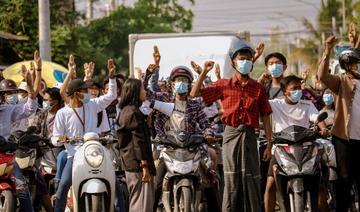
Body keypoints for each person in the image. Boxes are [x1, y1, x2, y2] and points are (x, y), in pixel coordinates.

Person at [190, 40, 273, 212]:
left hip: (250, 136)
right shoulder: (224, 85)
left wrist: (270, 143)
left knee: (251, 177)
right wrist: (204, 72)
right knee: (231, 178)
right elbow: (194, 93)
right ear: (234, 62)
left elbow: (265, 115)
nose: (246, 62)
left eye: (249, 59)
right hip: (230, 135)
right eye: (242, 58)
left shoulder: (258, 88)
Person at [52, 58, 118, 212]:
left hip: (94, 152)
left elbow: (111, 96)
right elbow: (54, 137)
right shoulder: (63, 113)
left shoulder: (92, 105)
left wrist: (112, 77)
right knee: (64, 184)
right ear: (76, 94)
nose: (89, 93)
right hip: (74, 156)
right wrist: (59, 139)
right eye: (85, 91)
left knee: (115, 184)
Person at [263, 75, 330, 212]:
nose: (297, 91)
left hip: (307, 147)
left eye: (299, 88)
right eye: (294, 88)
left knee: (320, 182)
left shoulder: (307, 104)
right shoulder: (275, 104)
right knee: (270, 184)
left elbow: (317, 118)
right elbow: (261, 106)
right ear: (284, 91)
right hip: (282, 148)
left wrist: (323, 129)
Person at [317, 35, 360, 212]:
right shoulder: (341, 81)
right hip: (344, 139)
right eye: (356, 63)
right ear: (348, 66)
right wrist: (327, 50)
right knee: (344, 181)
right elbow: (322, 76)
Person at [0, 51, 42, 212]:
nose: (7, 97)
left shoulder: (9, 109)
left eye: (9, 94)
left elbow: (30, 108)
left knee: (22, 186)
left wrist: (32, 81)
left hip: (8, 156)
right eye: (4, 94)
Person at [117, 78, 155, 212]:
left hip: (131, 163)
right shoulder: (133, 113)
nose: (144, 92)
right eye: (142, 89)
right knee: (142, 204)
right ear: (134, 92)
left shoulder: (126, 110)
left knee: (137, 200)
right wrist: (144, 165)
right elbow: (138, 142)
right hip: (138, 165)